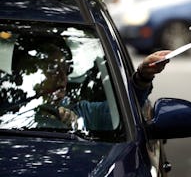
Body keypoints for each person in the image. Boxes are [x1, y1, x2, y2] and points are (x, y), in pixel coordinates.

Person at [9, 35, 170, 130]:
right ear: (21, 72)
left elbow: (126, 109)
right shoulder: (6, 109)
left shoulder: (82, 113)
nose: (62, 78)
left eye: (65, 70)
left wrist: (142, 76)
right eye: (51, 68)